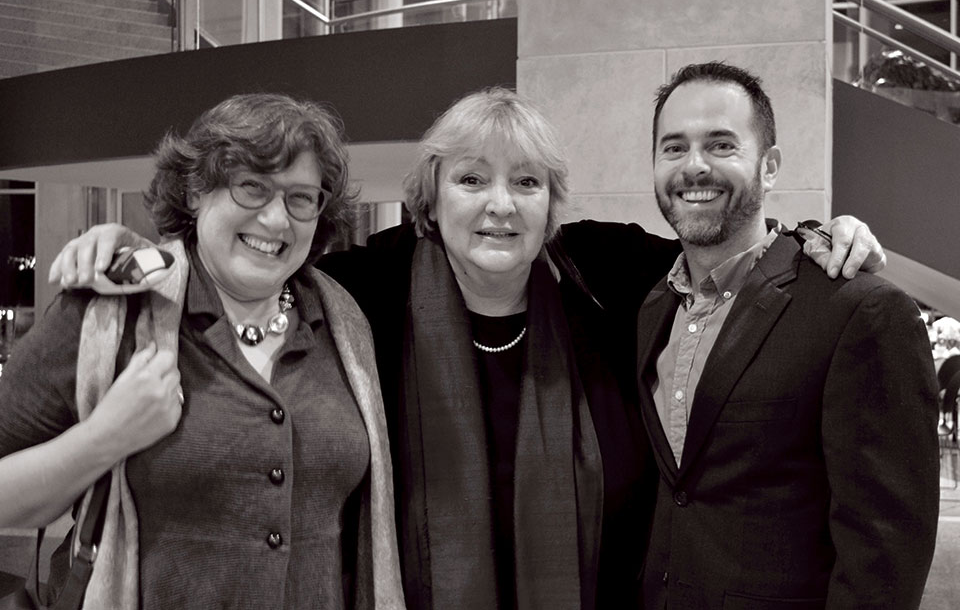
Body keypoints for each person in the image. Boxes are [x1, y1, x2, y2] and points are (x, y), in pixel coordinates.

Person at [46, 88, 885, 609]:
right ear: (430, 197)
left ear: (551, 205)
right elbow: (257, 254)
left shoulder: (605, 273)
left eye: (525, 182)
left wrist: (818, 234)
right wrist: (130, 248)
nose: (499, 206)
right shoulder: (366, 288)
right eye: (471, 178)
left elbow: (724, 252)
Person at [0, 94, 405, 609]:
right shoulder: (111, 310)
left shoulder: (344, 322)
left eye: (300, 197)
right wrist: (105, 438)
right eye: (251, 186)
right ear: (196, 192)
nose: (277, 221)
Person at [627, 61, 938, 608]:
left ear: (769, 167)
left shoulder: (861, 313)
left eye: (721, 145)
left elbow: (884, 552)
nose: (693, 167)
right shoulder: (653, 306)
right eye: (673, 148)